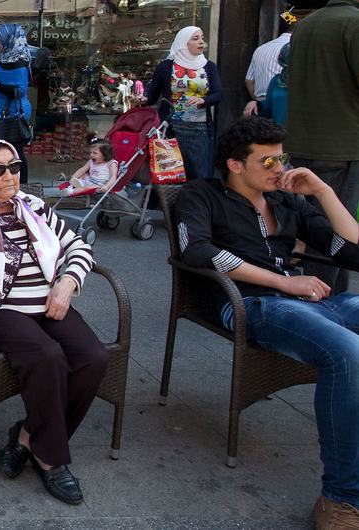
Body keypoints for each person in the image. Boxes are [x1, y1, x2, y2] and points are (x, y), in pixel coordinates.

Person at [175, 117, 359, 530]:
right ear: (235, 165)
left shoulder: (288, 201)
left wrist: (324, 192)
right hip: (254, 304)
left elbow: (350, 251)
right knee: (349, 354)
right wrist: (284, 283)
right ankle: (342, 499)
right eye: (268, 161)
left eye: (282, 158)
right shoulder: (201, 195)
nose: (280, 168)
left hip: (310, 301)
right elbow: (197, 251)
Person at [0, 138, 103, 505]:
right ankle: (51, 459)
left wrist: (67, 281)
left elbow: (78, 246)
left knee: (94, 357)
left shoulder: (35, 207)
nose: (10, 175)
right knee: (47, 355)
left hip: (46, 302)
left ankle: (28, 436)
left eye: (14, 165)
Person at [286, 0, 359, 296]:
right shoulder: (352, 22)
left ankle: (330, 300)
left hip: (308, 139)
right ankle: (321, 302)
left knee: (321, 228)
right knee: (333, 232)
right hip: (341, 143)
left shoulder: (306, 24)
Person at [144, 26, 222, 180]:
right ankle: (169, 204)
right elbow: (152, 96)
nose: (201, 42)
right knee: (169, 175)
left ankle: (198, 203)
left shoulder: (209, 67)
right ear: (183, 43)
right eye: (196, 38)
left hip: (200, 130)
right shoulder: (165, 67)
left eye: (202, 38)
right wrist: (142, 100)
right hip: (170, 129)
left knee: (201, 175)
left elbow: (218, 94)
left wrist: (203, 100)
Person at [0, 24, 33, 183]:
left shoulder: (20, 64)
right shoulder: (5, 59)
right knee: (5, 151)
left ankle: (22, 186)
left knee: (15, 152)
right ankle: (7, 181)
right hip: (1, 111)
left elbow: (20, 91)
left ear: (8, 40)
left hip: (12, 114)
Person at [243, 18, 293, 117]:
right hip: (279, 107)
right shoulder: (292, 47)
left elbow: (249, 80)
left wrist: (257, 100)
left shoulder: (260, 49)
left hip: (260, 106)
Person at [257, 43, 290, 127]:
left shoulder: (310, 82)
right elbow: (267, 108)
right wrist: (256, 104)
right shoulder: (277, 80)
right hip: (279, 135)